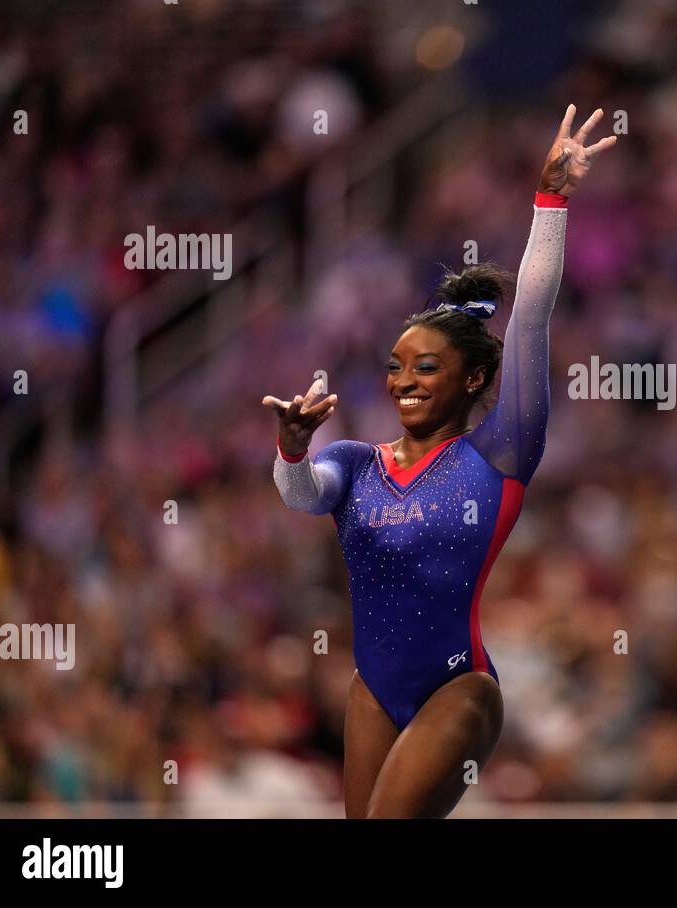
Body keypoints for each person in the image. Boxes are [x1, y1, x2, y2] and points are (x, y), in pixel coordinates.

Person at [262, 105, 617, 817]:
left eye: (426, 367)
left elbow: (531, 318)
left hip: (460, 690)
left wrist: (551, 200)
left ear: (474, 379)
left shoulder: (500, 452)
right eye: (396, 368)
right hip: (374, 691)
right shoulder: (357, 463)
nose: (405, 382)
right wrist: (293, 449)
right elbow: (303, 494)